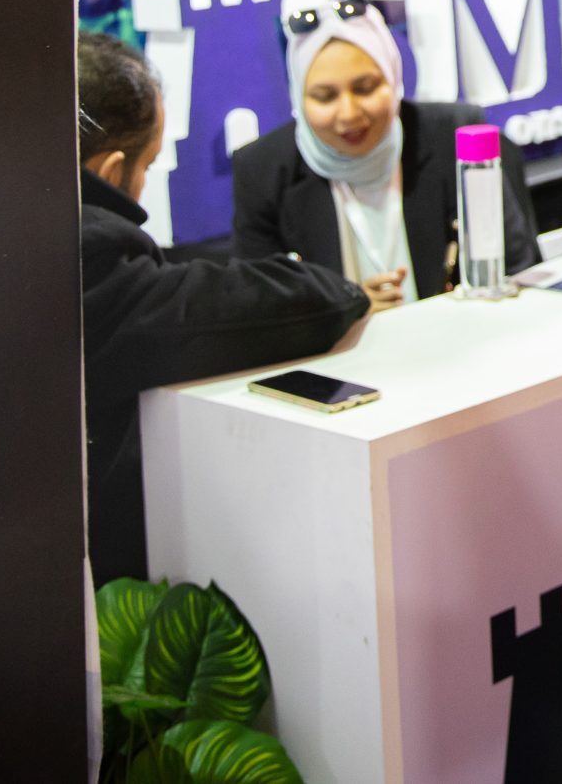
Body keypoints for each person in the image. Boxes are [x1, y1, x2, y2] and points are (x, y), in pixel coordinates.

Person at [78, 31, 369, 582]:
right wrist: (350, 291)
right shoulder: (90, 259)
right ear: (110, 172)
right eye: (148, 166)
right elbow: (264, 306)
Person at [232, 0, 543, 304]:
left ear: (393, 79)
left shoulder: (452, 137)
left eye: (365, 88)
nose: (349, 114)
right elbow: (259, 305)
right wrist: (346, 311)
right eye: (325, 97)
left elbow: (518, 269)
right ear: (299, 99)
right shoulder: (262, 170)